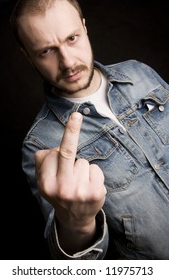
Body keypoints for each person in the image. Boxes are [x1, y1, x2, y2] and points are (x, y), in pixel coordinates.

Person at [10, 0, 169, 260]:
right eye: (46, 51)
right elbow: (81, 267)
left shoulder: (139, 72)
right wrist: (77, 225)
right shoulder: (40, 145)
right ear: (29, 56)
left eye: (72, 38)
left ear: (84, 28)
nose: (68, 62)